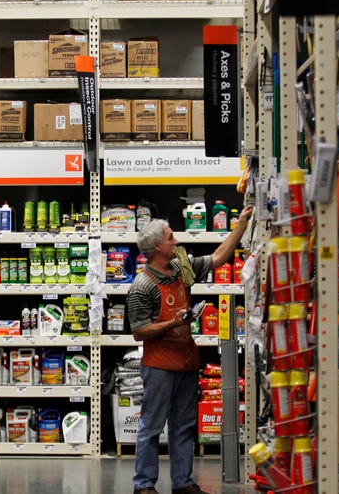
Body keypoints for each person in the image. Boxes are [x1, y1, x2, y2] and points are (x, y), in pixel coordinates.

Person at [127, 205, 253, 494]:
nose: (177, 241)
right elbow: (138, 332)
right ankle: (143, 485)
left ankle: (182, 483)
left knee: (184, 426)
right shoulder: (141, 286)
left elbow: (219, 257)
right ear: (158, 246)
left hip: (185, 362)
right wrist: (171, 323)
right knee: (151, 427)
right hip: (158, 366)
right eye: (171, 238)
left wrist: (242, 225)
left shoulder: (181, 268)